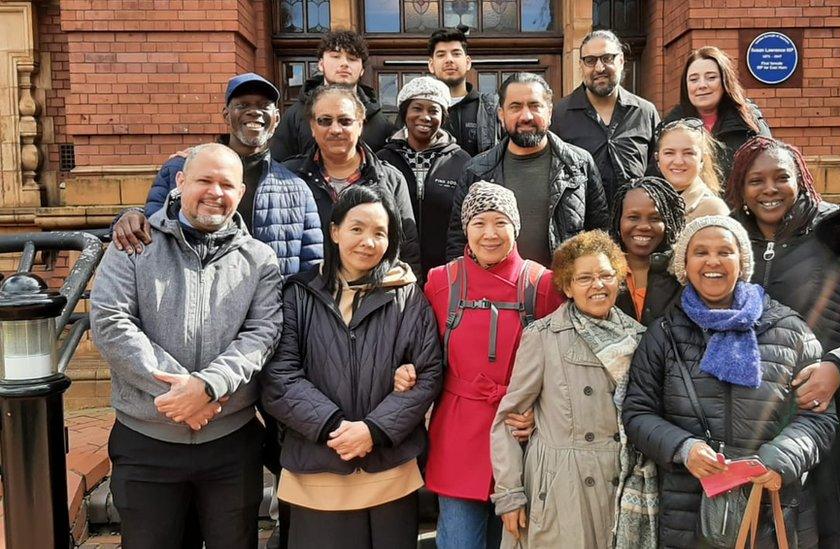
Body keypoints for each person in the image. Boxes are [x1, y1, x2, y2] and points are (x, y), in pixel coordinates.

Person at [90, 143, 283, 549]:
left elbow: (263, 332)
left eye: (227, 184)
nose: (215, 191)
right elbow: (111, 323)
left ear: (241, 193)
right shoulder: (134, 245)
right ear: (180, 183)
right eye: (204, 180)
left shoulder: (260, 259)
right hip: (147, 441)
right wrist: (181, 392)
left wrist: (209, 386)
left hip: (230, 442)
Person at [724, 136, 840, 547]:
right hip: (763, 432)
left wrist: (839, 368)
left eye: (781, 177)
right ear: (740, 188)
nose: (769, 190)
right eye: (756, 181)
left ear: (802, 180)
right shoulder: (730, 242)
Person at [622, 215, 837, 548]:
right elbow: (637, 413)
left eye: (725, 251)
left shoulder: (789, 330)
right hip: (689, 513)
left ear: (742, 262)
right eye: (700, 252)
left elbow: (818, 415)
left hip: (774, 506)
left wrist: (780, 460)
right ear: (685, 264)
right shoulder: (663, 336)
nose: (713, 261)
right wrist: (683, 448)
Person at [261, 185, 442, 549]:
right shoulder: (299, 293)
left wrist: (373, 430)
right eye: (357, 228)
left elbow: (429, 373)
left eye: (380, 233)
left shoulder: (406, 295)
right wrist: (334, 426)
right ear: (334, 231)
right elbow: (279, 376)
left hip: (390, 470)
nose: (367, 241)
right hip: (317, 467)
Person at [420, 182, 564, 549]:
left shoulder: (542, 283)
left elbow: (561, 364)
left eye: (500, 222)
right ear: (465, 228)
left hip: (522, 437)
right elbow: (418, 352)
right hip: (458, 437)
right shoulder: (440, 281)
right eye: (479, 222)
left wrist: (540, 412)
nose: (489, 234)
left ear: (516, 227)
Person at [491, 230, 647, 548]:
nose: (598, 285)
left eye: (606, 275)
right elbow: (508, 421)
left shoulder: (639, 337)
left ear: (619, 279)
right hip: (561, 488)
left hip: (622, 484)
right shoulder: (543, 336)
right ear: (567, 286)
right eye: (584, 278)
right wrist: (509, 495)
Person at [111, 72, 323, 276]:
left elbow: (310, 272)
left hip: (270, 310)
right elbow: (150, 227)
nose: (254, 112)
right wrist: (128, 216)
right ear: (226, 116)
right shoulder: (179, 169)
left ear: (276, 119)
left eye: (263, 106)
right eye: (243, 105)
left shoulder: (296, 188)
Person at [446, 72, 610, 266]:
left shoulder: (579, 164)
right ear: (501, 114)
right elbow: (458, 241)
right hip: (496, 292)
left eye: (534, 106)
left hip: (562, 289)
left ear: (549, 111)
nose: (526, 116)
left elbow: (600, 236)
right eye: (515, 107)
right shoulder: (476, 170)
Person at [285, 84, 421, 273]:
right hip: (305, 296)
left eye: (345, 121)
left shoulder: (390, 180)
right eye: (325, 121)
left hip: (375, 296)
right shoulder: (288, 178)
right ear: (312, 127)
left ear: (360, 124)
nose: (335, 129)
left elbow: (408, 252)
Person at [377, 76, 471, 280]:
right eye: (417, 108)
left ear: (443, 117)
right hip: (394, 273)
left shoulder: (462, 161)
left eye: (433, 110)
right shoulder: (383, 161)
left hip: (448, 273)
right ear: (405, 113)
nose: (425, 116)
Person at [551, 30, 660, 201]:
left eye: (607, 58)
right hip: (583, 226)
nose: (599, 68)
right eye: (590, 60)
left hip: (634, 223)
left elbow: (660, 172)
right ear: (581, 65)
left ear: (621, 61)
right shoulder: (560, 114)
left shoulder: (645, 112)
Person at [271, 30, 395, 160]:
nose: (344, 63)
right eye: (336, 56)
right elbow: (278, 169)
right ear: (320, 64)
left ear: (362, 70)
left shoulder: (379, 122)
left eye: (352, 59)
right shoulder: (295, 115)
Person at [660, 46, 772, 180]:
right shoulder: (671, 125)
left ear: (725, 81)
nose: (702, 85)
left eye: (711, 77)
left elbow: (769, 169)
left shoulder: (750, 123)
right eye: (694, 79)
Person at [610, 176, 685, 325]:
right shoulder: (601, 271)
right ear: (618, 220)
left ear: (669, 222)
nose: (644, 226)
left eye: (655, 218)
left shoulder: (682, 274)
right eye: (633, 217)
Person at [427, 26, 500, 157]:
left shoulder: (491, 109)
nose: (449, 60)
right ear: (431, 65)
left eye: (456, 53)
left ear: (468, 63)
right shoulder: (419, 109)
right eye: (441, 55)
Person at [654, 118, 729, 221]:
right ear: (657, 158)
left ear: (702, 159)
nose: (678, 161)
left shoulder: (713, 210)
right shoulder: (649, 202)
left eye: (688, 153)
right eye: (669, 153)